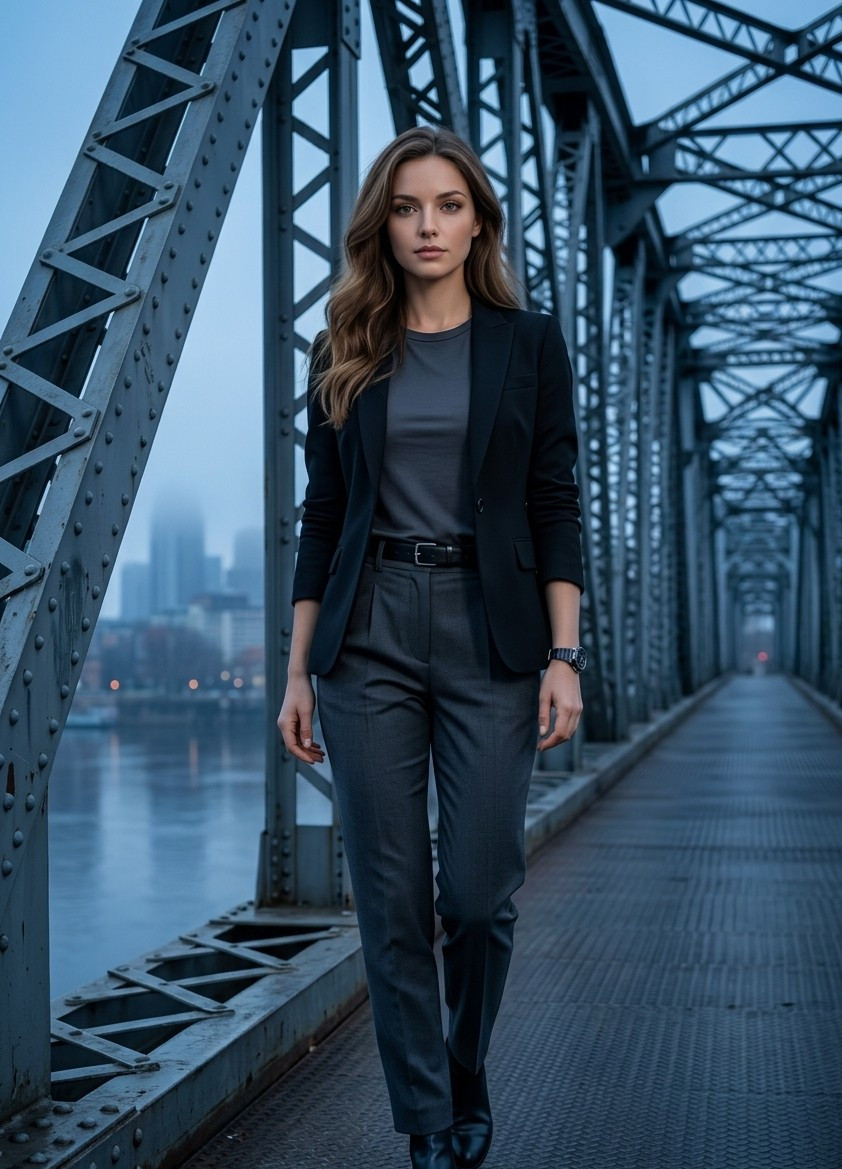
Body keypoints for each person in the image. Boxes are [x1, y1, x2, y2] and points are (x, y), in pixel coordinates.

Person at [278, 125, 585, 1169]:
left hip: (487, 629)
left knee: (478, 894)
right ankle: (426, 1119)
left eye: (447, 206)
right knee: (393, 896)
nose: (426, 226)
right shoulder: (343, 343)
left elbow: (554, 503)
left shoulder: (527, 343)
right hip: (365, 634)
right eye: (406, 207)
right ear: (382, 223)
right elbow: (322, 515)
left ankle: (464, 1067)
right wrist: (295, 670)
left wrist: (563, 654)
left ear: (478, 221)